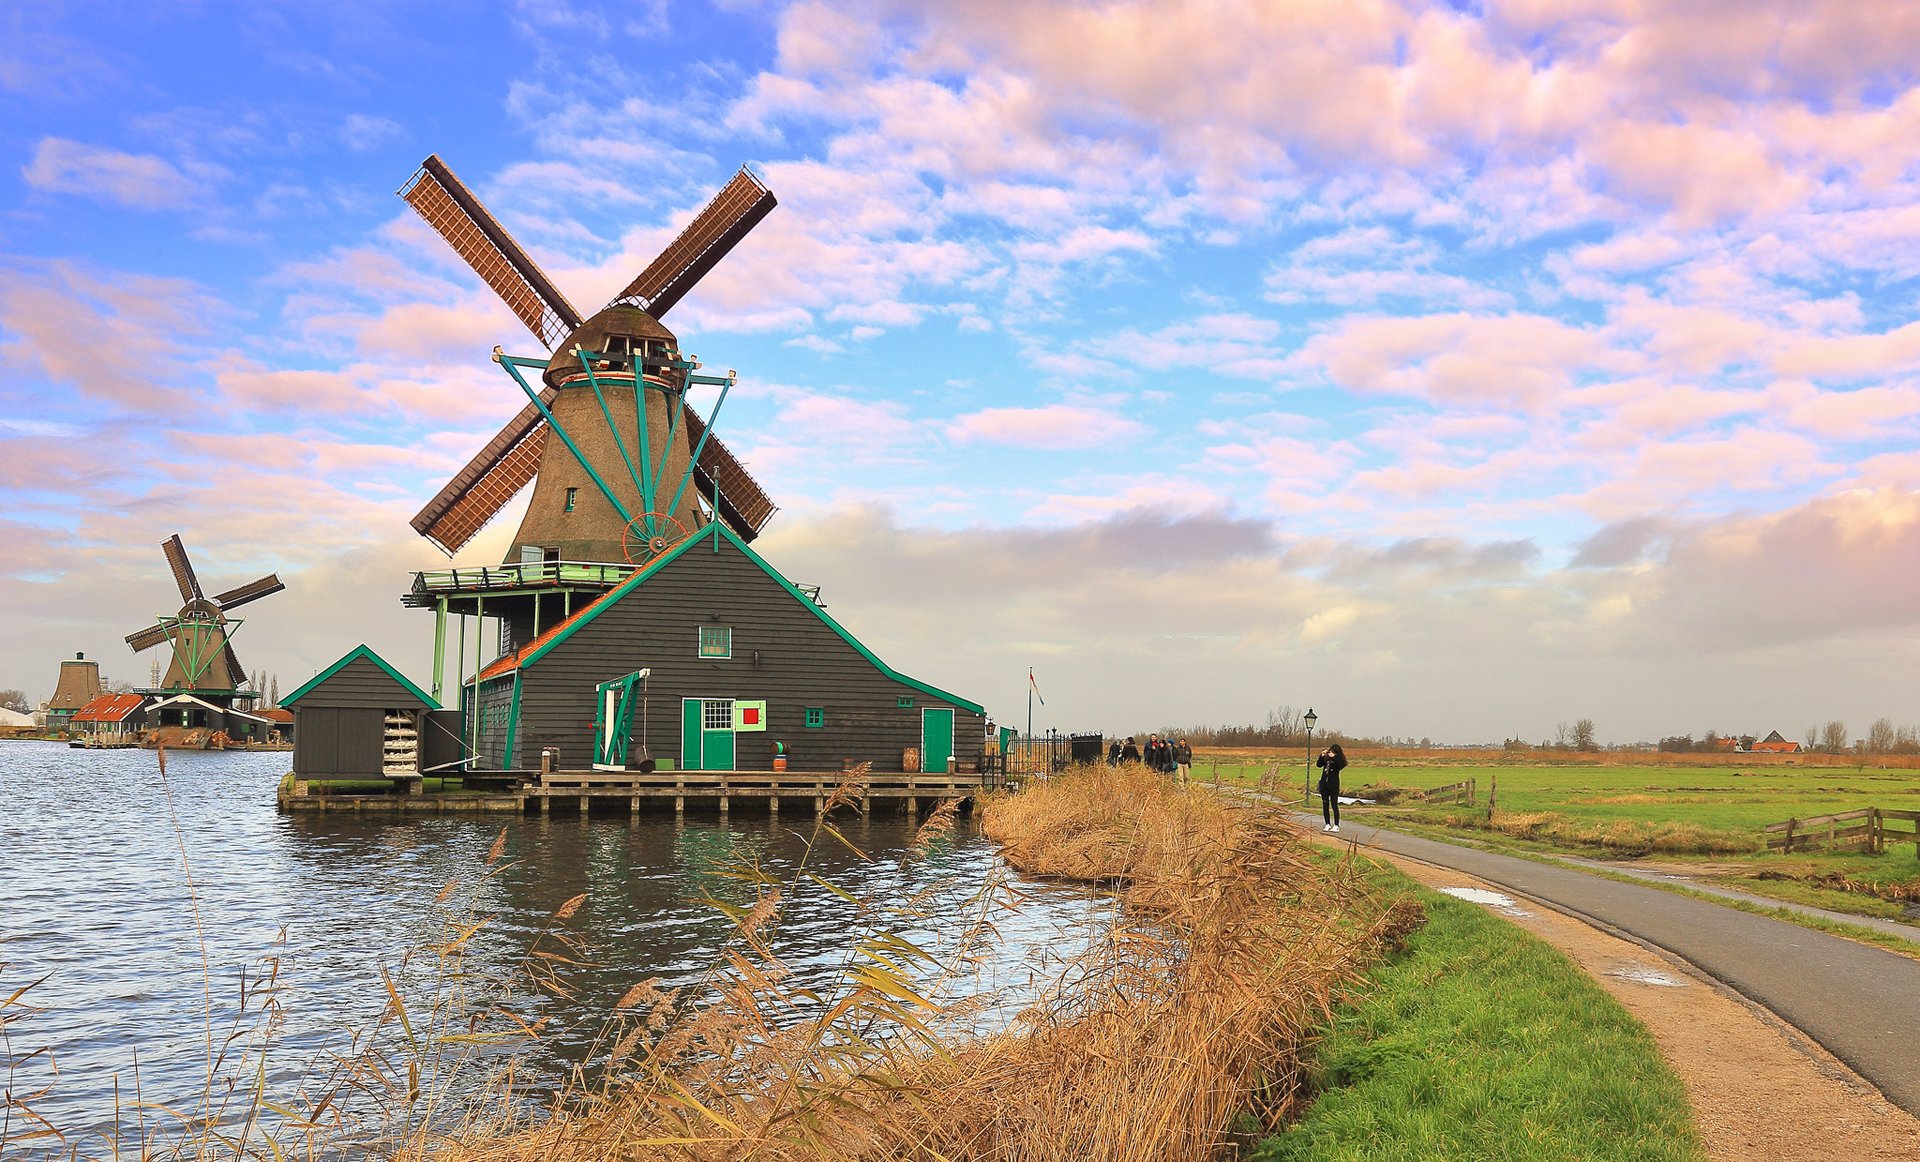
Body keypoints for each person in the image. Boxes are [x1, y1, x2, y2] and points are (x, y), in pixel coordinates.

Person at [1316, 743, 1348, 832]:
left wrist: (1334, 757)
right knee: (1325, 805)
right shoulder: (1326, 759)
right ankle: (1327, 823)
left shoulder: (1339, 760)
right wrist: (1322, 756)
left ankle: (1336, 825)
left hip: (1333, 785)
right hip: (1324, 785)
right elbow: (1318, 765)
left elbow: (1340, 766)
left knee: (1334, 805)